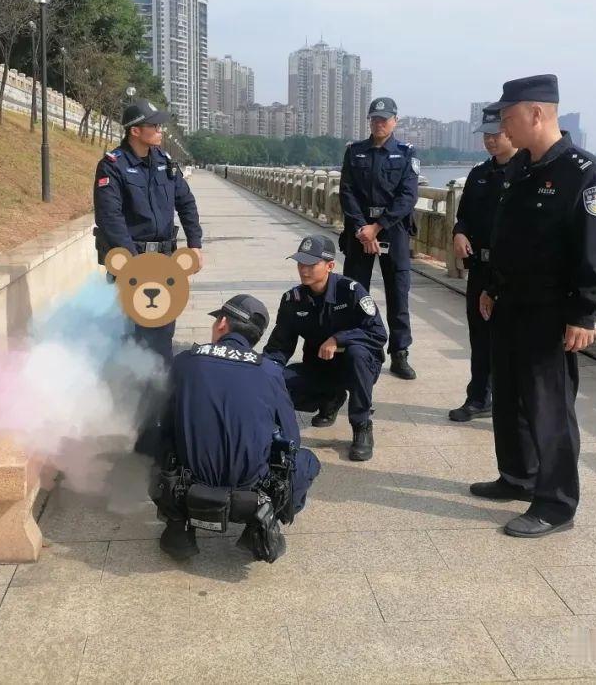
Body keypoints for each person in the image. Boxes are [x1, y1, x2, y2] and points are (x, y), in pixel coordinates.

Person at [472, 74, 596, 538]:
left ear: (536, 113)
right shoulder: (520, 168)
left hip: (551, 313)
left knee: (549, 408)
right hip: (509, 303)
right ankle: (517, 476)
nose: (503, 126)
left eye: (508, 116)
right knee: (508, 398)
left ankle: (555, 504)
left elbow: (592, 248)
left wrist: (584, 312)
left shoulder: (581, 171)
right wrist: (491, 285)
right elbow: (505, 236)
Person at [152, 294, 321, 560]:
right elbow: (292, 439)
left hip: (187, 486)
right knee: (306, 462)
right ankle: (263, 523)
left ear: (221, 324)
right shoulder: (269, 371)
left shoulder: (185, 361)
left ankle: (178, 523)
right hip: (250, 491)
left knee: (154, 437)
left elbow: (162, 422)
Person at [93, 97, 202, 364]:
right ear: (135, 131)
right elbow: (110, 217)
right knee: (131, 335)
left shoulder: (164, 161)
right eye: (154, 126)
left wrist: (195, 243)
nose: (160, 131)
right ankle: (128, 398)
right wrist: (133, 264)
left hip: (164, 264)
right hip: (131, 264)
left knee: (163, 334)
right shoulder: (112, 165)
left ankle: (161, 397)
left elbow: (185, 201)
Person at [263, 235, 387, 462]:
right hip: (319, 367)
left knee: (357, 353)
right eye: (300, 263)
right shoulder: (293, 300)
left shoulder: (351, 291)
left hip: (357, 369)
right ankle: (330, 399)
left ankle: (361, 426)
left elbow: (378, 334)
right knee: (274, 381)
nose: (304, 269)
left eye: (311, 264)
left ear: (330, 265)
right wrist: (262, 372)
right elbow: (280, 346)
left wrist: (338, 339)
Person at [338, 97, 420, 380]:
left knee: (398, 295)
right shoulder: (355, 152)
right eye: (374, 118)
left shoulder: (406, 153)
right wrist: (363, 228)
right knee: (356, 293)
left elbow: (408, 196)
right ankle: (361, 347)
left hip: (393, 231)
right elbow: (346, 192)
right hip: (359, 233)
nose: (379, 123)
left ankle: (400, 354)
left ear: (395, 121)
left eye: (384, 119)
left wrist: (378, 226)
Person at [448, 105, 517, 422]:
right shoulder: (478, 176)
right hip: (480, 269)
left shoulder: (525, 174)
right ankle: (478, 397)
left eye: (496, 134)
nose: (490, 141)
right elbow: (463, 218)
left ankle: (512, 403)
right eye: (486, 136)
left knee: (510, 340)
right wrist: (458, 234)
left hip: (512, 271)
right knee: (480, 336)